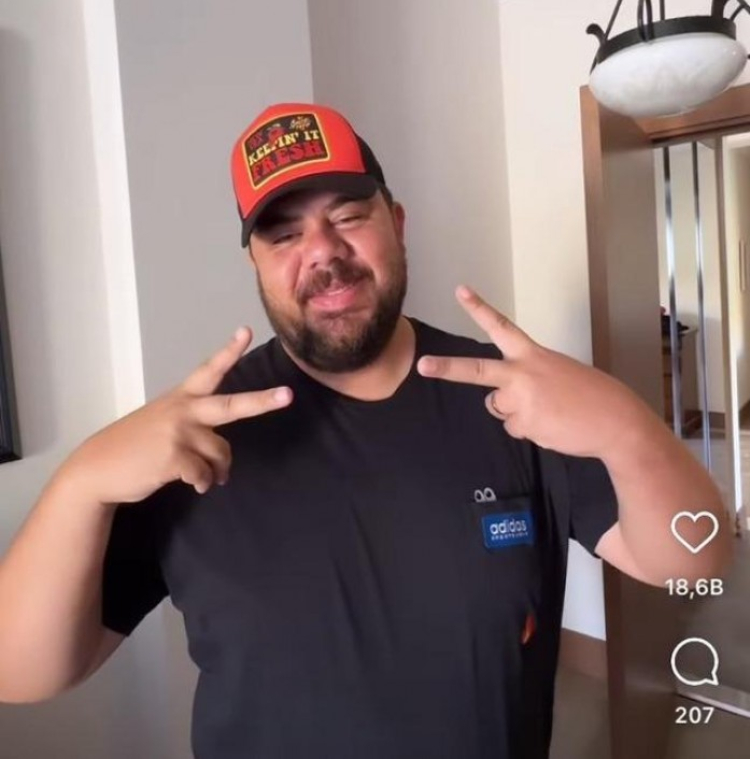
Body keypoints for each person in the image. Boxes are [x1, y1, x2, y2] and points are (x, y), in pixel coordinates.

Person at [0, 102, 731, 759]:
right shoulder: (194, 439)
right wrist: (81, 481)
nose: (322, 250)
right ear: (256, 264)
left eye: (348, 215)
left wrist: (624, 425)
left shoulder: (513, 396)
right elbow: (20, 674)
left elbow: (695, 560)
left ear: (396, 224)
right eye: (284, 234)